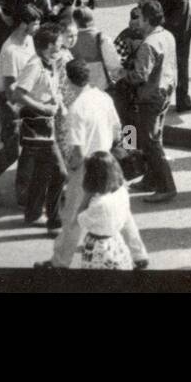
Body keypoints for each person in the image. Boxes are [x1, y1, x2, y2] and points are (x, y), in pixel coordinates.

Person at [43, 60, 145, 269]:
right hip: (108, 161)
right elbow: (119, 129)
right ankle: (139, 254)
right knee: (123, 211)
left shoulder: (76, 109)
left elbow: (78, 151)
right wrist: (125, 151)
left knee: (72, 216)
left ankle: (60, 261)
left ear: (69, 81)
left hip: (87, 167)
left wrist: (71, 168)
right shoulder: (103, 97)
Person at [0, 4, 42, 203]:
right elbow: (10, 86)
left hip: (24, 99)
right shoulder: (11, 50)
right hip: (11, 104)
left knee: (25, 147)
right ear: (23, 25)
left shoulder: (28, 40)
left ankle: (22, 190)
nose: (38, 27)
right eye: (35, 23)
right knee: (15, 148)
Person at [11, 24, 67, 233]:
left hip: (46, 124)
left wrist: (58, 103)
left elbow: (51, 89)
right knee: (59, 173)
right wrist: (43, 107)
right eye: (58, 44)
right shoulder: (35, 65)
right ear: (47, 46)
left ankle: (33, 213)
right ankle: (54, 222)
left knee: (43, 171)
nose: (61, 48)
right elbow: (18, 94)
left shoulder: (50, 63)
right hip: (35, 124)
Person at [126, 0, 179, 204]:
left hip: (150, 97)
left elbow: (139, 75)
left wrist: (122, 75)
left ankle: (166, 186)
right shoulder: (167, 35)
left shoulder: (148, 44)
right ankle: (150, 179)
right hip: (165, 92)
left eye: (138, 17)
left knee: (150, 141)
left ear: (147, 20)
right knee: (155, 137)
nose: (135, 21)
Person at [63, 152, 148, 270]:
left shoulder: (98, 204)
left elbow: (80, 220)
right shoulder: (122, 192)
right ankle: (140, 255)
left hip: (99, 248)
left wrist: (86, 198)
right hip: (116, 242)